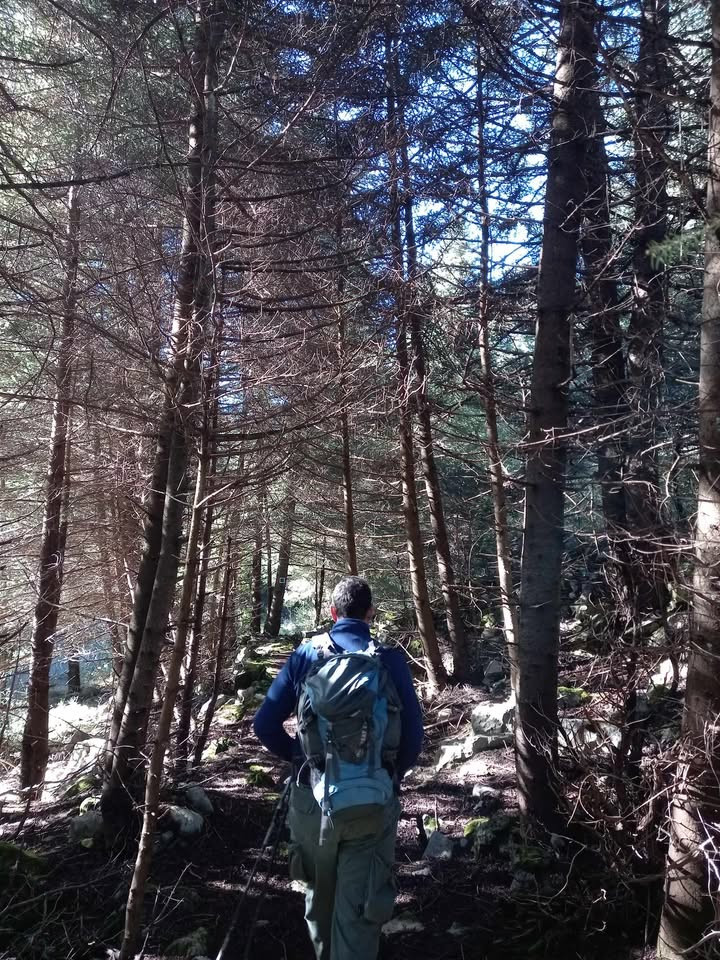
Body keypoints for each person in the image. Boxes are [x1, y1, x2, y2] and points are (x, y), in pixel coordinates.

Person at [253, 575, 423, 960]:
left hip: (312, 801)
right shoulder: (389, 660)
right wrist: (387, 774)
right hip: (371, 803)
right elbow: (413, 739)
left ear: (332, 612)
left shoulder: (305, 655)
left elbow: (264, 725)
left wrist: (303, 758)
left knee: (319, 899)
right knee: (359, 909)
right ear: (370, 612)